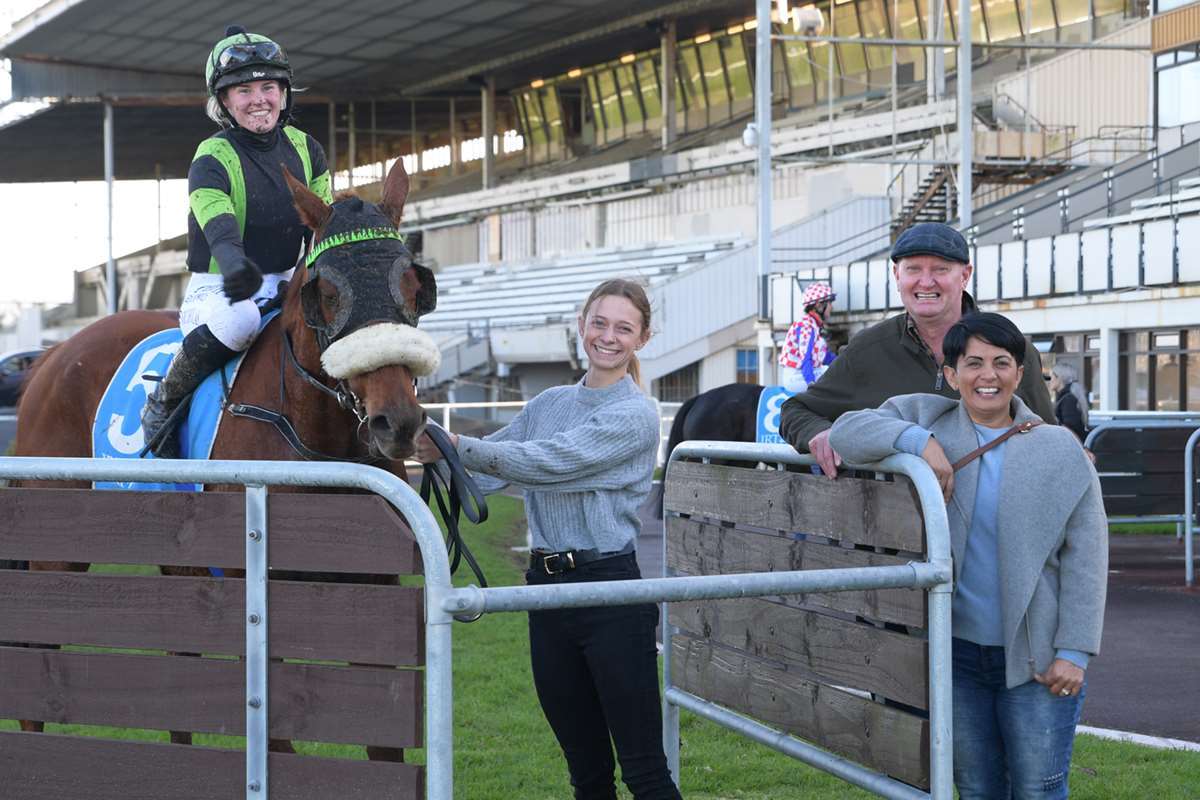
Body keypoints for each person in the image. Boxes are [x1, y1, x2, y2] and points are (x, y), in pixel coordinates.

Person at [415, 279, 682, 800]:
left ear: (642, 339)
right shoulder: (548, 403)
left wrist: (457, 445)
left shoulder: (635, 415)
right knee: (586, 773)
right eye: (599, 323)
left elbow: (552, 463)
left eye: (623, 328)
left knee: (645, 773)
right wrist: (427, 445)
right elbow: (486, 476)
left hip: (610, 594)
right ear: (581, 326)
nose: (608, 337)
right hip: (547, 593)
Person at [829, 312, 1107, 800]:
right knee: (976, 788)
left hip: (1038, 660)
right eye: (973, 363)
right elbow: (846, 432)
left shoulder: (1059, 448)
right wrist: (920, 443)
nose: (988, 376)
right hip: (953, 656)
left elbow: (1087, 556)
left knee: (1038, 790)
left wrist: (1074, 651)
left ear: (1020, 373)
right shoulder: (925, 417)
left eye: (1002, 363)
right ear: (952, 374)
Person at [141, 25, 332, 457]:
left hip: (288, 282)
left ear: (284, 93)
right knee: (242, 320)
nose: (259, 99)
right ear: (224, 102)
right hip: (222, 290)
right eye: (243, 91)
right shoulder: (212, 156)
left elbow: (323, 224)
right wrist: (234, 265)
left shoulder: (308, 149)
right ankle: (164, 402)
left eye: (268, 86)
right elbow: (218, 226)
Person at [779, 221, 1055, 477]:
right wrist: (823, 433)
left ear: (965, 275)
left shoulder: (1011, 350)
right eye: (913, 269)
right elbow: (796, 410)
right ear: (896, 275)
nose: (926, 282)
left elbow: (1048, 435)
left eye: (940, 269)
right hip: (891, 522)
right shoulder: (867, 350)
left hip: (990, 525)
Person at [778, 281, 837, 393]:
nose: (831, 307)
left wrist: (847, 361)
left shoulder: (814, 325)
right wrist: (811, 385)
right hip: (796, 377)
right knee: (833, 372)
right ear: (819, 305)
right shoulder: (806, 326)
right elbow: (806, 359)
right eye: (829, 303)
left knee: (837, 369)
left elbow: (827, 358)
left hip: (802, 374)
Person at [1049, 361, 1089, 443]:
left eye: (1051, 377)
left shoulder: (1068, 400)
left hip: (1070, 446)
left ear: (1059, 378)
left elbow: (1070, 428)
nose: (1049, 381)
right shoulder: (1067, 397)